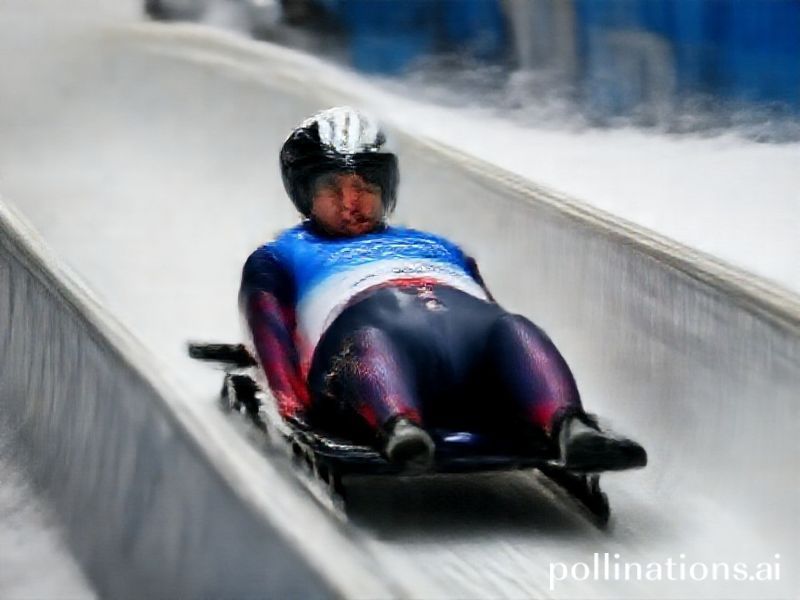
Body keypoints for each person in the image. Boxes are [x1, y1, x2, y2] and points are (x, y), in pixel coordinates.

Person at [240, 106, 646, 472]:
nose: (351, 200)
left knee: (512, 328)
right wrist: (293, 409)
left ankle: (569, 426)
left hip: (468, 333)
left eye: (365, 184)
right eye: (332, 186)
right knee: (368, 343)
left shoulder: (438, 246)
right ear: (305, 191)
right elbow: (269, 327)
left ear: (385, 187)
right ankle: (399, 427)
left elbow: (488, 304)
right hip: (365, 338)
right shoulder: (280, 254)